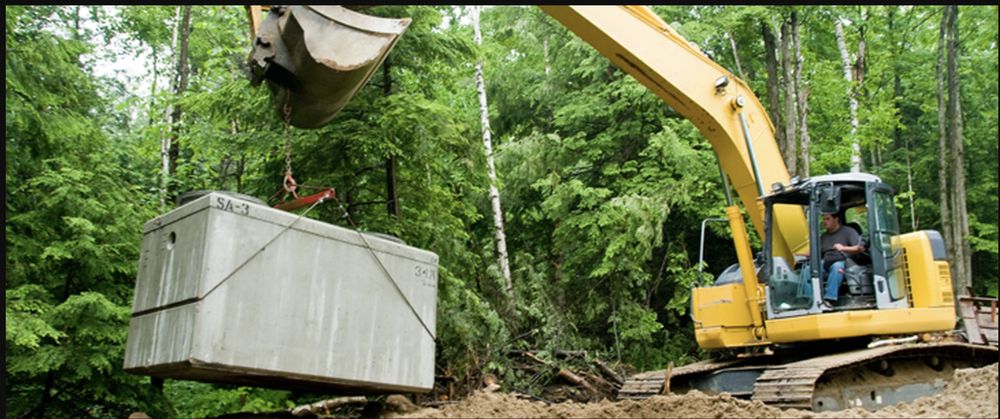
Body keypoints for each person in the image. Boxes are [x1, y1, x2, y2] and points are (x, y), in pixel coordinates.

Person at [817, 211, 863, 310]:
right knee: (809, 269)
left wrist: (843, 248)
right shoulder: (823, 236)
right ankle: (809, 298)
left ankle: (829, 299)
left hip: (845, 263)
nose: (825, 222)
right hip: (826, 265)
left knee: (837, 266)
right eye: (824, 219)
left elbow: (859, 248)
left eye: (827, 219)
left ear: (836, 219)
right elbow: (818, 253)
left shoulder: (848, 232)